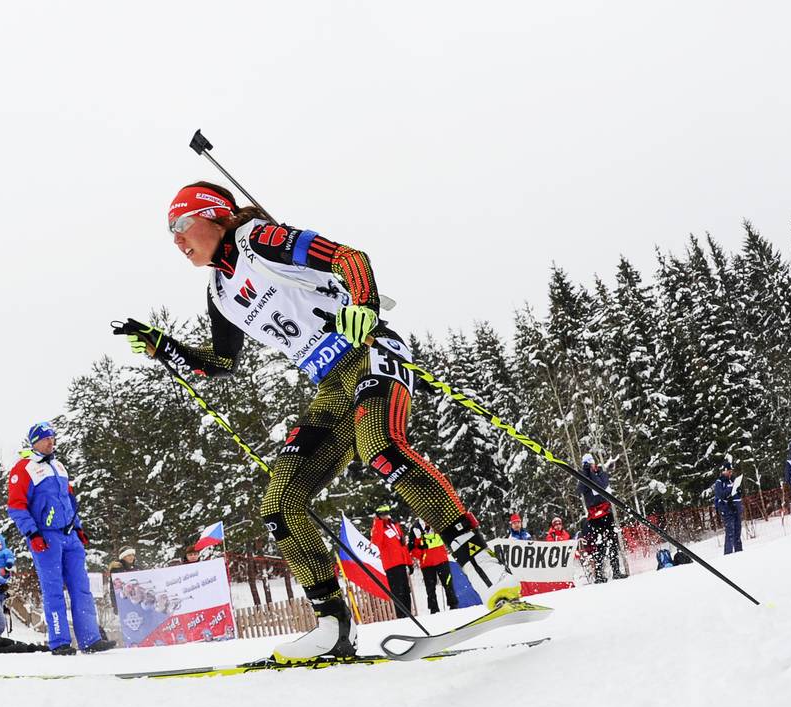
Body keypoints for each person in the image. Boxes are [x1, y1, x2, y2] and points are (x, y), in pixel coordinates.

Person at [119, 182, 519, 662]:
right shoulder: (220, 292)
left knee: (380, 447)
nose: (178, 241)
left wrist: (362, 305)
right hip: (330, 383)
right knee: (280, 501)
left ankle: (487, 571)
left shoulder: (260, 239)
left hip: (369, 350)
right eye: (171, 235)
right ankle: (332, 625)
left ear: (215, 216)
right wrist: (165, 345)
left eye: (182, 226)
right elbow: (223, 363)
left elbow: (349, 259)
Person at [8, 421, 116, 655]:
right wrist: (32, 533)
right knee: (53, 589)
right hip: (45, 538)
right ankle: (60, 642)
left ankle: (90, 639)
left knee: (81, 587)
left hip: (69, 536)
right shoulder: (24, 468)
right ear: (34, 441)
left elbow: (69, 501)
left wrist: (78, 528)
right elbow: (16, 506)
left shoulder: (58, 466)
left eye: (53, 437)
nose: (51, 441)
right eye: (46, 438)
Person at [577, 454, 625, 582]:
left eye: (590, 463)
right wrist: (585, 473)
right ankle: (599, 575)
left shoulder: (601, 474)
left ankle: (616, 571)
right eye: (587, 464)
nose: (590, 465)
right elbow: (580, 490)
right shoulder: (583, 477)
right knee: (598, 545)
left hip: (606, 513)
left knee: (612, 542)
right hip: (594, 516)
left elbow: (600, 486)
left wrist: (591, 473)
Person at [369, 505, 413, 618]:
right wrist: (378, 522)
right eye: (382, 514)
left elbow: (402, 546)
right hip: (391, 565)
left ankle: (409, 614)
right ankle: (401, 615)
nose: (385, 516)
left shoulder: (394, 525)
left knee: (405, 590)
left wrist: (409, 562)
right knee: (398, 592)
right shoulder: (378, 528)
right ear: (378, 515)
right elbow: (376, 542)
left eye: (386, 513)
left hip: (401, 563)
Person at [409, 520, 458, 613]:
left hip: (442, 560)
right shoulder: (415, 528)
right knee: (430, 588)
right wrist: (422, 553)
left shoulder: (437, 521)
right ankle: (433, 609)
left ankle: (453, 605)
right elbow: (411, 548)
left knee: (448, 584)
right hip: (427, 564)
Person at [713, 461, 744, 555]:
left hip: (736, 508)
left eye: (731, 472)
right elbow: (720, 494)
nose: (730, 474)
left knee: (738, 531)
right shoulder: (720, 482)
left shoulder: (733, 480)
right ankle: (728, 553)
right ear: (724, 471)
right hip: (727, 509)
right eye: (729, 472)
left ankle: (739, 552)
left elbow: (736, 494)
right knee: (730, 532)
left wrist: (738, 491)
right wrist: (730, 490)